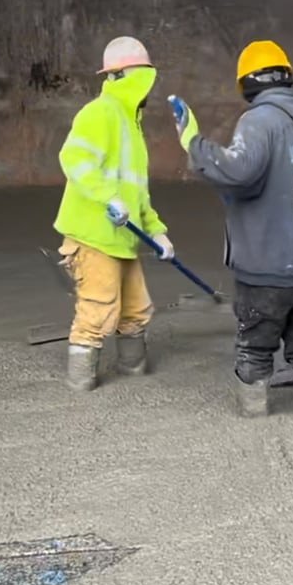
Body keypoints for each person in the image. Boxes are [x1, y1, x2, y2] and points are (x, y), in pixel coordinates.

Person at [170, 40, 293, 418]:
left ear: (246, 83)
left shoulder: (260, 120)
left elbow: (238, 170)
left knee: (256, 346)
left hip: (267, 266)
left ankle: (254, 420)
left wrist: (192, 142)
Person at [54, 36, 174, 393]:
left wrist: (157, 234)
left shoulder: (131, 125)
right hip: (93, 236)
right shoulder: (100, 112)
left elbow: (138, 195)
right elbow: (73, 158)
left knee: (136, 310)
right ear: (120, 76)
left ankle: (134, 378)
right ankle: (80, 385)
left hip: (124, 237)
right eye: (143, 75)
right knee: (97, 309)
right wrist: (107, 196)